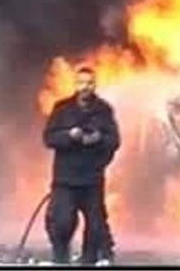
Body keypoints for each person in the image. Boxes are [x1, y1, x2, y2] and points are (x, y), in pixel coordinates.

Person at [43, 66, 120, 265]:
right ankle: (61, 259)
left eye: (89, 83)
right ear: (76, 85)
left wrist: (98, 138)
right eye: (81, 83)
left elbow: (114, 140)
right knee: (62, 222)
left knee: (95, 226)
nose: (85, 87)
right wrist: (69, 135)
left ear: (94, 85)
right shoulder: (62, 109)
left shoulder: (103, 110)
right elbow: (49, 138)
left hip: (92, 179)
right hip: (65, 179)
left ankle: (89, 261)